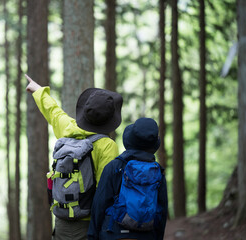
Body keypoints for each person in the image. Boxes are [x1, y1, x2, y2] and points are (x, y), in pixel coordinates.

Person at [25, 74, 123, 240]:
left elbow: (53, 112)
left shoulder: (68, 129)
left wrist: (37, 89)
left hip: (62, 221)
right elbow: (105, 191)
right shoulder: (107, 146)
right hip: (89, 224)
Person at [87, 118, 168, 240]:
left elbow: (99, 205)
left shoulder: (114, 167)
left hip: (113, 233)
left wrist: (92, 236)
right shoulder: (158, 173)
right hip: (146, 234)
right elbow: (161, 212)